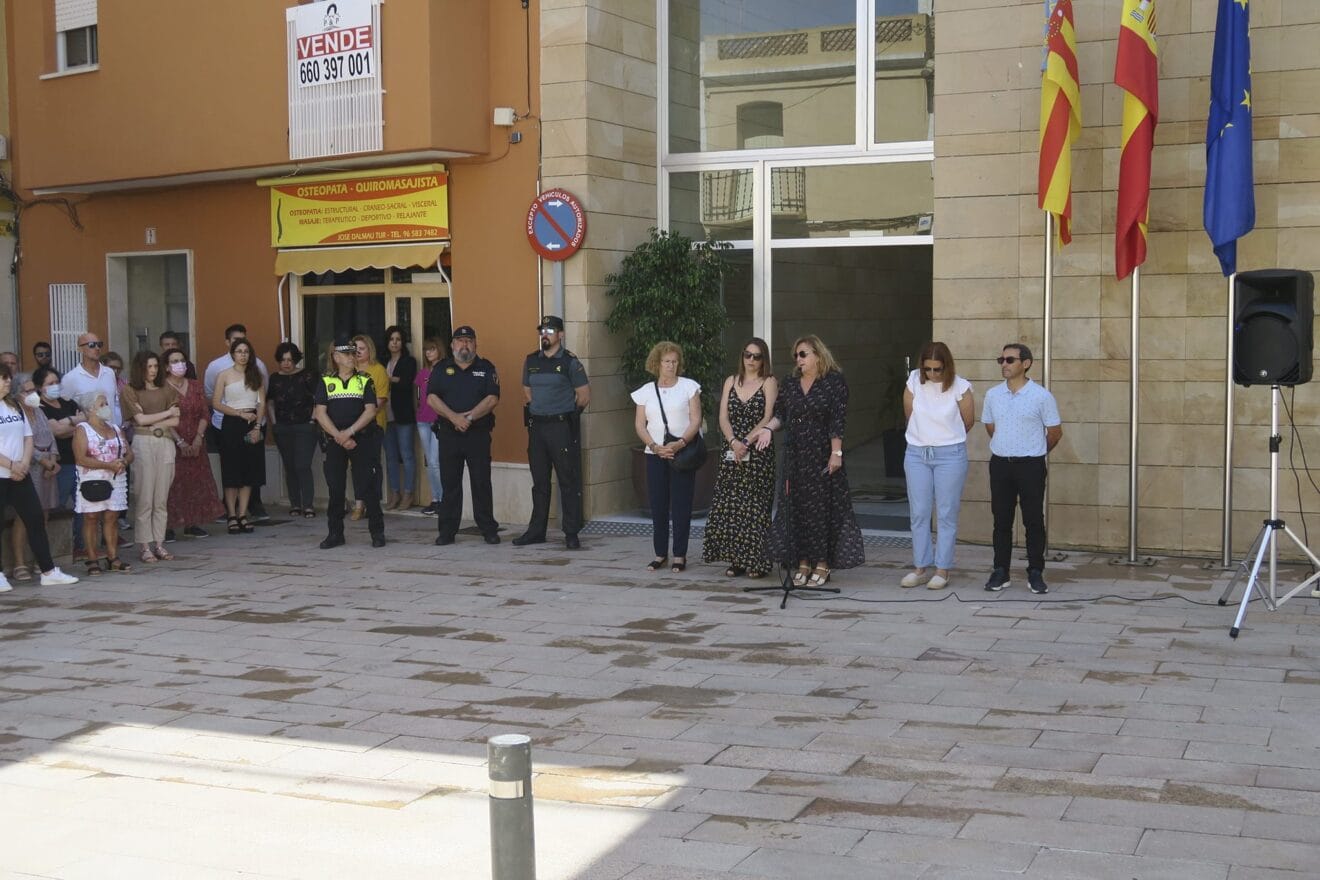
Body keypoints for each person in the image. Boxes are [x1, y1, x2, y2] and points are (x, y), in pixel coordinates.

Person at [757, 334, 864, 586]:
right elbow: (781, 413)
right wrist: (768, 429)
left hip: (821, 453)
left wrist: (836, 453)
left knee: (820, 510)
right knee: (796, 509)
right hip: (795, 454)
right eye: (796, 355)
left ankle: (822, 563)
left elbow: (837, 419)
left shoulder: (833, 382)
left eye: (803, 354)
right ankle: (803, 561)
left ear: (818, 354)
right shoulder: (791, 382)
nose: (798, 359)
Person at [981, 342, 1063, 595]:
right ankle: (1000, 571)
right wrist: (1008, 445)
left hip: (1031, 465)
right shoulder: (993, 395)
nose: (1004, 364)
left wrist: (1034, 450)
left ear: (1025, 364)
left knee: (1033, 520)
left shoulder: (1041, 396)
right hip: (1001, 464)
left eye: (1010, 360)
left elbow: (1055, 432)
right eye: (1001, 360)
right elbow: (990, 426)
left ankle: (1035, 572)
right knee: (1001, 520)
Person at [901, 342, 974, 591]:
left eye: (937, 369)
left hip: (950, 454)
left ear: (947, 367)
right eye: (928, 369)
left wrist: (944, 437)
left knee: (946, 512)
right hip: (917, 453)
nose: (932, 374)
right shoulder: (913, 381)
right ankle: (920, 567)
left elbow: (968, 420)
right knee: (919, 512)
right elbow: (909, 415)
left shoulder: (960, 386)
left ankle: (942, 569)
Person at [703, 337, 778, 579]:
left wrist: (747, 441)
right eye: (748, 355)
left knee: (755, 507)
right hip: (732, 450)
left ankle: (758, 560)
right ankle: (737, 560)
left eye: (757, 356)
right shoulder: (731, 381)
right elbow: (723, 416)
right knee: (732, 505)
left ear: (763, 359)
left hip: (758, 453)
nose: (751, 360)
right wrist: (734, 442)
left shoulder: (769, 382)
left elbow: (768, 417)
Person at [0, 366, 79, 590]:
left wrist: (23, 463)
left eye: (8, 378)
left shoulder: (14, 406)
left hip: (20, 474)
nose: (7, 382)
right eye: (3, 378)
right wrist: (12, 465)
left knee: (35, 519)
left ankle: (48, 570)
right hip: (2, 473)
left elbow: (27, 436)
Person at [515, 315, 590, 549]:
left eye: (549, 330)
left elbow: (584, 396)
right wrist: (541, 409)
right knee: (539, 482)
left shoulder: (570, 362)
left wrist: (565, 414)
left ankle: (571, 532)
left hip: (561, 427)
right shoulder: (531, 360)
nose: (545, 334)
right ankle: (537, 531)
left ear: (561, 335)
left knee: (567, 480)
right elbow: (526, 391)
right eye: (542, 331)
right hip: (537, 427)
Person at [426, 326, 500, 546]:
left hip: (477, 434)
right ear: (452, 345)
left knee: (481, 483)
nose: (464, 345)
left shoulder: (486, 368)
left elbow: (492, 398)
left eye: (468, 341)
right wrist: (453, 417)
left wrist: (468, 419)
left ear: (475, 344)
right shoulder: (441, 368)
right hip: (449, 435)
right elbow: (431, 398)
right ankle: (447, 532)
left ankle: (488, 529)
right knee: (450, 485)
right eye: (460, 341)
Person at [631, 342, 701, 573]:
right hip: (655, 454)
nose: (671, 365)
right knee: (658, 505)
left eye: (674, 361)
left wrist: (680, 443)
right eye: (666, 361)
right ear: (657, 363)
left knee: (681, 505)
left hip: (681, 453)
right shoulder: (645, 391)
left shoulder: (689, 387)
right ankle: (660, 553)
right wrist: (654, 445)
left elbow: (695, 420)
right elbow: (640, 425)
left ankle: (679, 555)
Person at [313, 337, 385, 549]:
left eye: (354, 353)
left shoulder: (365, 380)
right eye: (347, 354)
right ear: (336, 357)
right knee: (335, 488)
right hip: (337, 442)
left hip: (361, 440)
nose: (352, 358)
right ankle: (335, 534)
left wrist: (350, 432)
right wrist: (339, 436)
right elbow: (320, 413)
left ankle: (377, 532)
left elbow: (371, 410)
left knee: (368, 486)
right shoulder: (326, 381)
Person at [62, 332, 123, 554]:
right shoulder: (71, 378)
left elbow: (114, 404)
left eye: (99, 344)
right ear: (80, 348)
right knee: (90, 507)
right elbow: (65, 406)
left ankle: (112, 552)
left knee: (113, 507)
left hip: (113, 439)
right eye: (91, 345)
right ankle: (88, 553)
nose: (96, 348)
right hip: (89, 442)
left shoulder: (108, 373)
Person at [204, 324, 269, 520]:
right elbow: (215, 402)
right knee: (232, 471)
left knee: (249, 471)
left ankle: (243, 514)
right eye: (239, 351)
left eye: (246, 351)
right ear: (232, 353)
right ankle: (231, 514)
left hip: (252, 424)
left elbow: (262, 401)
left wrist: (257, 426)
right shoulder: (222, 373)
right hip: (231, 424)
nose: (243, 355)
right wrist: (239, 414)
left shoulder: (256, 372)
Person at [121, 350, 181, 564]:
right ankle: (145, 545)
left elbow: (176, 421)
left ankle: (159, 543)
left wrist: (154, 421)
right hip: (143, 442)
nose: (153, 371)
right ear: (140, 368)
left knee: (161, 497)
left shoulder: (167, 388)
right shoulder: (130, 390)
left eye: (156, 366)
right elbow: (139, 418)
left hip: (165, 441)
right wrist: (166, 414)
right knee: (144, 496)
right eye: (149, 367)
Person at [163, 347, 224, 538]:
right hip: (172, 440)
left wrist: (198, 438)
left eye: (181, 360)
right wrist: (180, 441)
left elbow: (205, 413)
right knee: (173, 483)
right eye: (174, 361)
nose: (179, 364)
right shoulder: (162, 388)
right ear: (166, 366)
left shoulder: (195, 386)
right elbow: (162, 417)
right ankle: (169, 525)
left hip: (196, 439)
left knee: (196, 482)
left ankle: (193, 522)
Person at [72, 389, 133, 575]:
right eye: (102, 404)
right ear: (90, 409)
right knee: (91, 518)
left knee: (112, 517)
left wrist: (124, 461)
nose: (106, 407)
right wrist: (107, 465)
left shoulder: (115, 429)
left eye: (106, 403)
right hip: (93, 479)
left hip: (116, 478)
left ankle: (112, 557)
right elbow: (80, 458)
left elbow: (129, 452)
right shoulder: (83, 430)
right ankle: (92, 558)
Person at [267, 342, 319, 517]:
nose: (286, 363)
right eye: (282, 360)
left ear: (296, 359)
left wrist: (313, 420)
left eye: (290, 359)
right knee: (290, 466)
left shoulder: (308, 375)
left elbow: (317, 399)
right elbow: (270, 401)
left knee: (303, 465)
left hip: (305, 426)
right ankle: (295, 504)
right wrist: (274, 423)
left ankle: (308, 505)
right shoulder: (274, 378)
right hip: (282, 427)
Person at [350, 333, 389, 521]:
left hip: (373, 426)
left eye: (362, 348)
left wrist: (363, 417)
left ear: (370, 350)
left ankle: (374, 505)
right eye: (355, 348)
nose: (358, 352)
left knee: (372, 465)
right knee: (355, 466)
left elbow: (380, 400)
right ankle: (358, 505)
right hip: (351, 427)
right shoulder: (349, 369)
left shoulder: (378, 370)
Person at [34, 366, 81, 513]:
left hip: (79, 461)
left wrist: (66, 423)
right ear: (40, 387)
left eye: (57, 382)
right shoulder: (39, 407)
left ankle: (79, 537)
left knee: (82, 508)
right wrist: (76, 421)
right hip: (59, 463)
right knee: (53, 507)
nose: (55, 386)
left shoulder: (68, 402)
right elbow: (56, 431)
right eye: (50, 384)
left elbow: (87, 422)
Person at [381, 325, 418, 510]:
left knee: (407, 454)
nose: (394, 343)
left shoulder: (409, 361)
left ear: (402, 342)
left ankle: (409, 493)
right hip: (385, 414)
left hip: (403, 414)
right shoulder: (382, 361)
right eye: (391, 339)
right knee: (391, 456)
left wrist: (387, 379)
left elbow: (406, 383)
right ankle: (395, 492)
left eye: (398, 339)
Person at [414, 337, 447, 515]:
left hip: (439, 420)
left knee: (435, 462)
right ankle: (435, 499)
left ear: (439, 350)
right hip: (422, 420)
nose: (429, 353)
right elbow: (418, 395)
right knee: (430, 462)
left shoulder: (446, 370)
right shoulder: (423, 373)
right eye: (426, 350)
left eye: (432, 349)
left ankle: (443, 499)